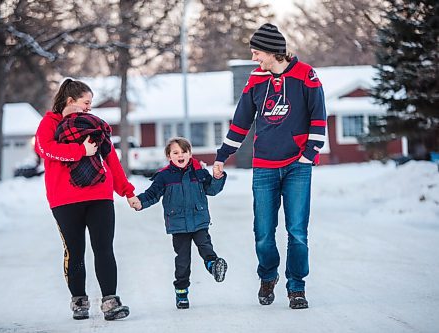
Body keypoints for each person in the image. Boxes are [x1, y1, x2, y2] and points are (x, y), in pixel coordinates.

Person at [213, 23, 326, 309]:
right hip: (264, 166)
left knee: (297, 231)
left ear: (273, 51)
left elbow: (319, 116)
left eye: (256, 53)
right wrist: (222, 155)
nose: (254, 59)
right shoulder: (255, 80)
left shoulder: (306, 75)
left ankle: (296, 287)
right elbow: (241, 122)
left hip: (297, 166)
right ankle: (268, 276)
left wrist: (309, 153)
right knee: (263, 232)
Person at [35, 78, 138, 320]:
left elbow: (111, 159)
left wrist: (127, 191)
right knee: (75, 251)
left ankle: (110, 301)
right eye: (86, 103)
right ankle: (79, 301)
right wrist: (80, 151)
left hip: (99, 195)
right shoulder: (49, 123)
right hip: (64, 199)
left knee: (104, 248)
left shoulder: (93, 125)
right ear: (71, 101)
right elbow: (46, 149)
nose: (89, 108)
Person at [129, 137, 228, 309]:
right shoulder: (164, 176)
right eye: (176, 152)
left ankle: (213, 265)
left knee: (205, 246)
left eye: (184, 152)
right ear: (169, 156)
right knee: (182, 260)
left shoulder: (199, 172)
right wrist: (139, 201)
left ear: (190, 154)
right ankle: (182, 293)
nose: (180, 155)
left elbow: (212, 189)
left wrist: (218, 177)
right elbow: (152, 194)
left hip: (199, 221)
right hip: (178, 225)